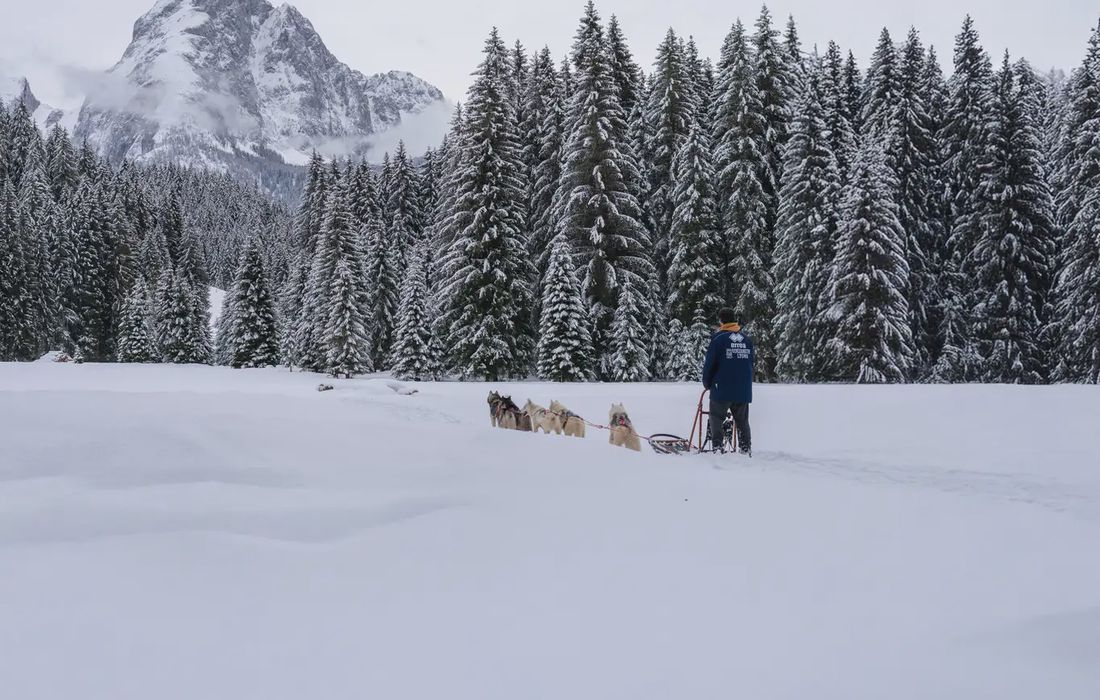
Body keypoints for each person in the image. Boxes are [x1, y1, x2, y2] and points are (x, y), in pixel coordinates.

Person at [701, 307, 754, 455]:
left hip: (721, 388)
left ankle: (717, 447)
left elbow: (710, 364)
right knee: (742, 421)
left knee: (716, 417)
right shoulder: (746, 340)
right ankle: (745, 448)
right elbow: (750, 363)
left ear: (721, 321)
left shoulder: (718, 340)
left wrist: (707, 383)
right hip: (742, 390)